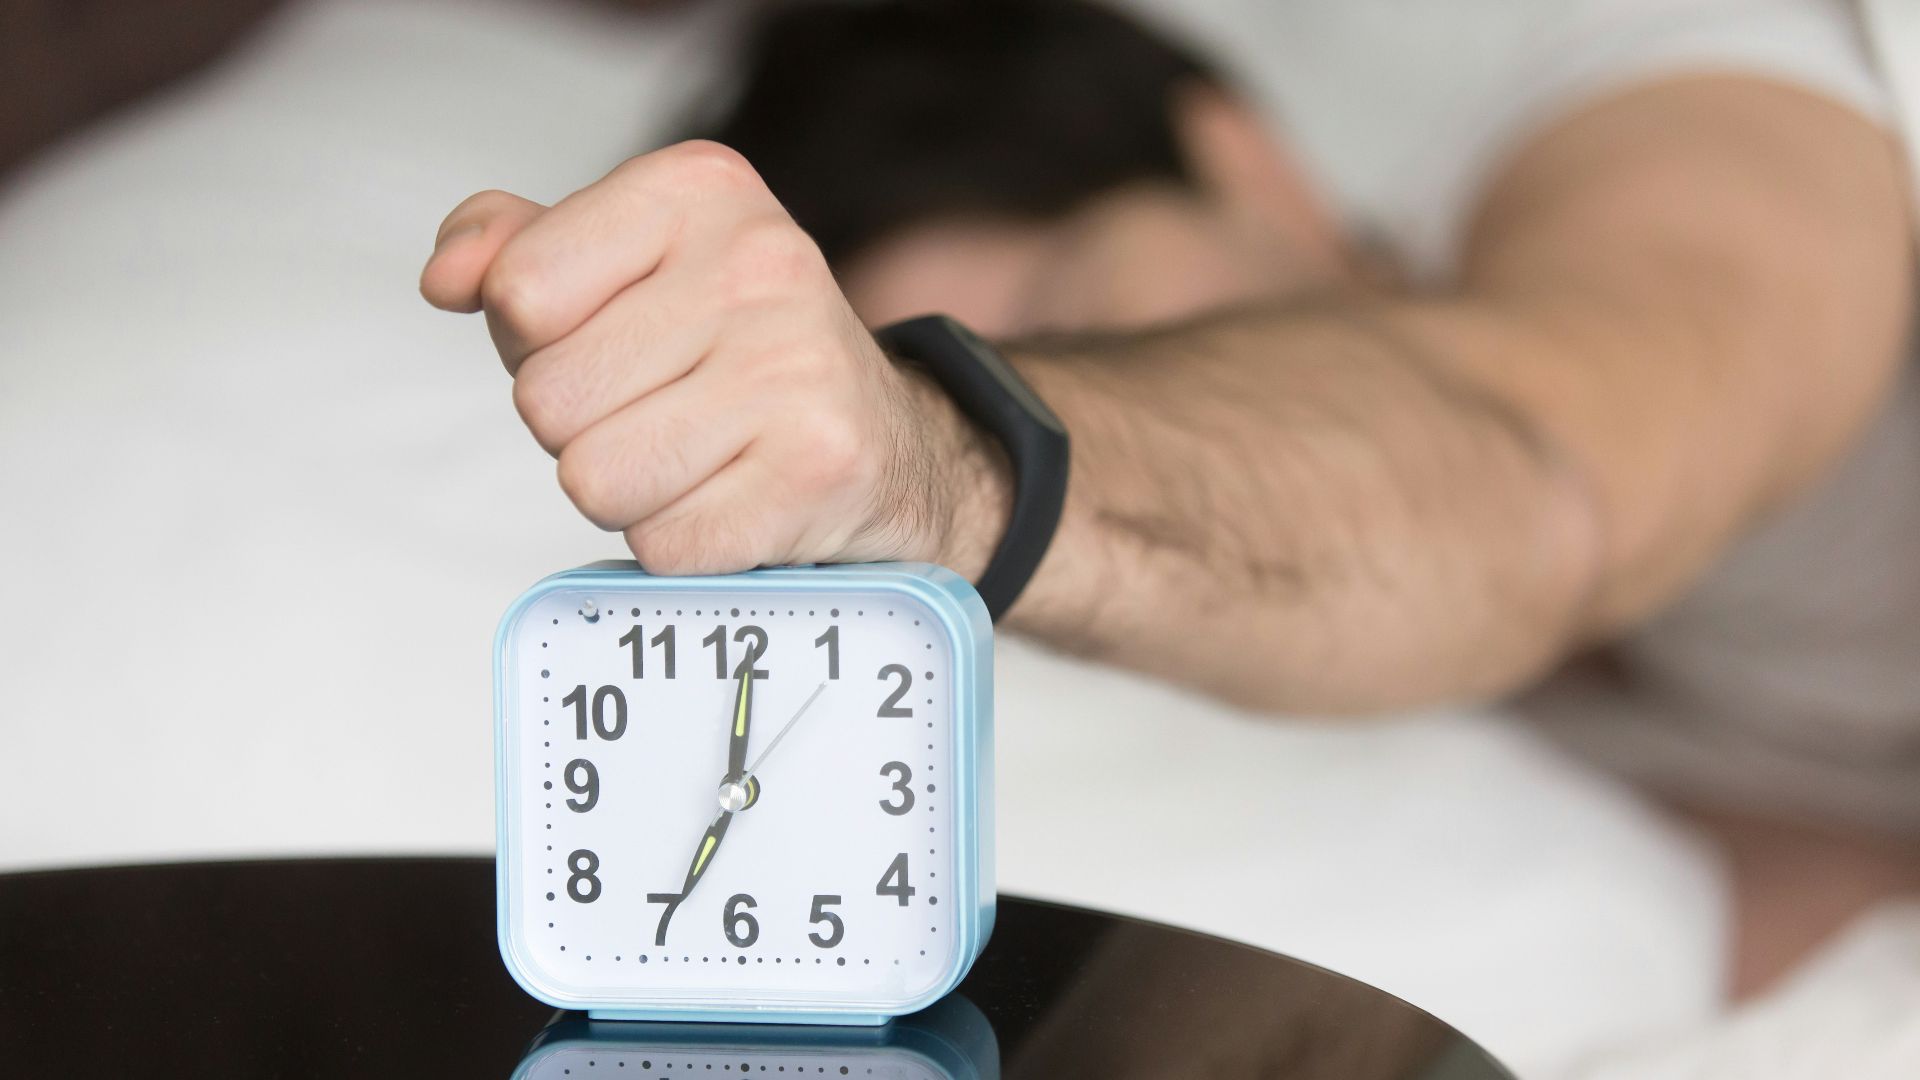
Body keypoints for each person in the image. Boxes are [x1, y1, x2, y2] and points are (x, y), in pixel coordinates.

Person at [420, 0, 1915, 994]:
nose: (1106, 403)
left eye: (1079, 332)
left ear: (1241, 162)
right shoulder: (1413, 694)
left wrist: (951, 450)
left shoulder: (1696, 120)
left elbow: (1537, 469)